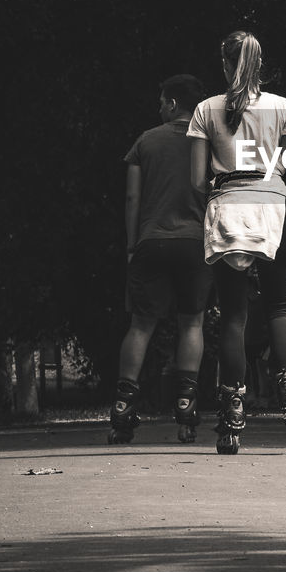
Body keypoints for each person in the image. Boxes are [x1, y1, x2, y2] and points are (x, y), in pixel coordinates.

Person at [188, 30, 286, 453]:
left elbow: (195, 181)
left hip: (229, 209)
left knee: (233, 317)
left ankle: (231, 411)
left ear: (224, 63)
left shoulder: (205, 109)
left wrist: (221, 194)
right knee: (278, 307)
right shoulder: (280, 106)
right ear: (259, 64)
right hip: (274, 209)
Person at [109, 74, 213, 444]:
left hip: (151, 241)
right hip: (195, 243)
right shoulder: (210, 141)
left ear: (171, 104)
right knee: (192, 325)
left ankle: (122, 410)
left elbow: (132, 199)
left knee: (140, 326)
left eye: (161, 102)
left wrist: (132, 244)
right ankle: (186, 407)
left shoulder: (146, 141)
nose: (159, 108)